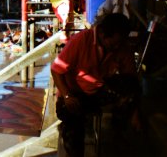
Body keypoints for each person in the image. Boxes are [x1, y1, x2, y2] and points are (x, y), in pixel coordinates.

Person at [51, 13, 141, 157]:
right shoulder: (81, 40)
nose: (117, 47)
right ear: (103, 34)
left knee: (129, 85)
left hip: (99, 90)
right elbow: (56, 70)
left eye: (120, 43)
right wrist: (67, 96)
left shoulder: (122, 46)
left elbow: (131, 79)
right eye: (113, 43)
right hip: (73, 93)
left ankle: (118, 136)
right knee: (72, 125)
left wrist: (134, 111)